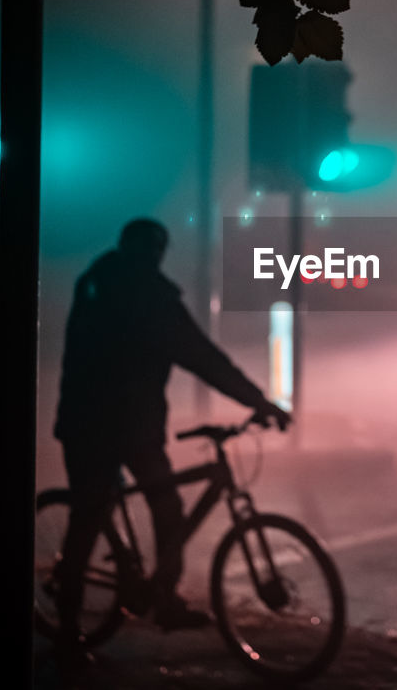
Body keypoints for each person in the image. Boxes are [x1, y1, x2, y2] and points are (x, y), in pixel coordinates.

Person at [52, 217, 289, 647]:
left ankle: (162, 596)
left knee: (154, 507)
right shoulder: (148, 296)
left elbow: (198, 355)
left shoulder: (96, 281)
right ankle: (71, 633)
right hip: (107, 425)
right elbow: (203, 357)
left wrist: (256, 400)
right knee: (97, 518)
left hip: (110, 423)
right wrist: (258, 402)